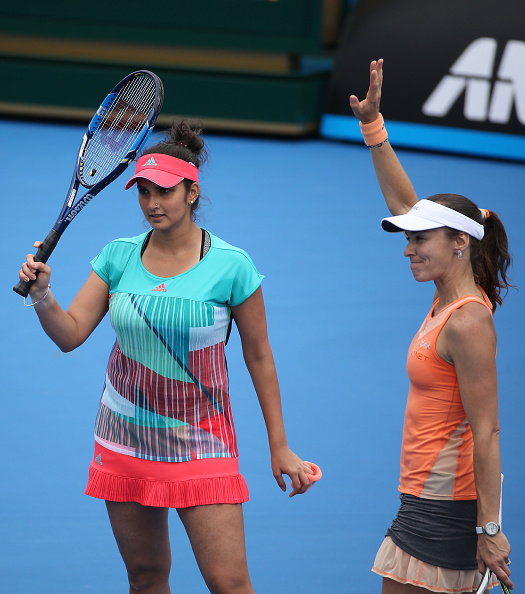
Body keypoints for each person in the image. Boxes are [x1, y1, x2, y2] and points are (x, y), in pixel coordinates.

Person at [19, 120, 315, 594]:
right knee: (146, 577)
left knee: (230, 584)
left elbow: (259, 356)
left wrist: (279, 445)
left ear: (192, 192)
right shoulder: (117, 257)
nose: (153, 204)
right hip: (124, 440)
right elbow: (70, 334)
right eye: (143, 192)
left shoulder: (232, 266)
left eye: (165, 192)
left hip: (202, 440)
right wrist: (43, 295)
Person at [349, 60, 514, 593]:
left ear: (459, 243)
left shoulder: (467, 321)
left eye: (421, 240)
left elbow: (486, 429)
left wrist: (489, 529)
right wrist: (374, 127)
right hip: (424, 499)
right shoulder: (450, 297)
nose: (408, 248)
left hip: (445, 506)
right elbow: (405, 204)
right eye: (409, 238)